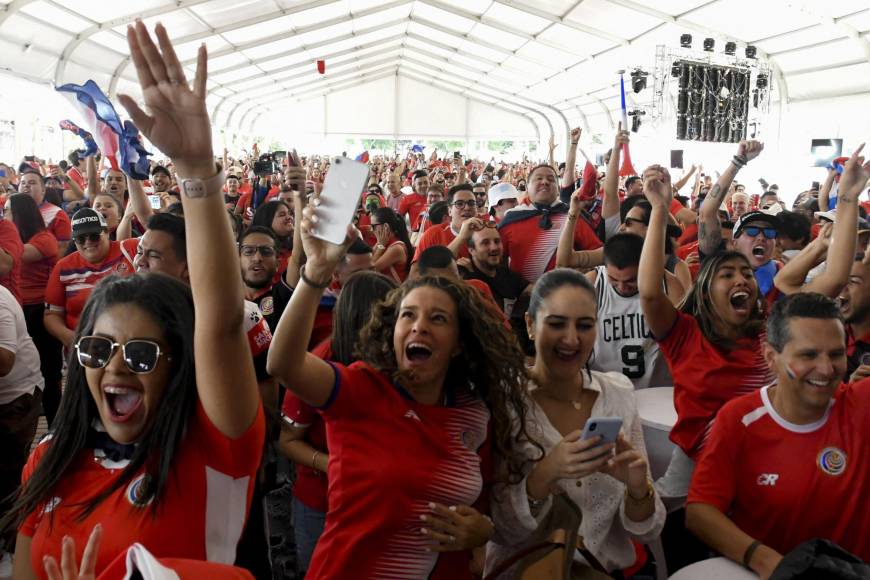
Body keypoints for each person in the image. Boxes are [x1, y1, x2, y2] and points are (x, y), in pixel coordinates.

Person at [2, 21, 264, 578]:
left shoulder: (214, 448)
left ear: (180, 364)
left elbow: (217, 322)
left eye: (142, 355)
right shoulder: (47, 463)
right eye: (97, 349)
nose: (115, 366)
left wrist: (195, 168)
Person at [267, 198, 535, 578]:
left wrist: (483, 531)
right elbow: (282, 364)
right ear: (391, 333)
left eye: (437, 318)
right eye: (407, 315)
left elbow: (486, 501)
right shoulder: (360, 388)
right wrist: (316, 272)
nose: (418, 326)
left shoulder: (474, 410)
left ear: (459, 343)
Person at [486, 269, 665, 576]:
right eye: (556, 324)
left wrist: (638, 488)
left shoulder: (618, 394)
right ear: (530, 325)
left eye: (585, 325)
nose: (571, 339)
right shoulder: (503, 402)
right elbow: (498, 530)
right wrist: (544, 474)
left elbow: (644, 531)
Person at [686, 293, 870, 573]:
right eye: (808, 355)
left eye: (836, 354)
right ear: (771, 357)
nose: (826, 369)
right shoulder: (740, 420)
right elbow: (700, 512)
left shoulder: (862, 405)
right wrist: (769, 563)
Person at [638, 164, 775, 494]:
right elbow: (650, 291)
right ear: (705, 290)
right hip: (698, 457)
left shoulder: (769, 335)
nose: (741, 279)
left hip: (761, 458)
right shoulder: (684, 335)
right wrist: (659, 208)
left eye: (745, 274)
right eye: (727, 275)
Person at [279, 271, 398, 574]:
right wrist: (332, 464)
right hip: (323, 500)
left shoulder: (399, 357)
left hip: (382, 501)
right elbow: (288, 441)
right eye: (383, 317)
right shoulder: (318, 364)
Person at [587, 233, 682, 389]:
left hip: (656, 391)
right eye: (614, 280)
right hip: (606, 391)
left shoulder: (668, 284)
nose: (622, 287)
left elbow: (684, 344)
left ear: (645, 265)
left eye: (631, 280)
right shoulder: (593, 283)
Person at [4, 194, 60, 424]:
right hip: (19, 308)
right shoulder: (14, 238)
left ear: (21, 214)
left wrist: (7, 237)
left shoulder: (45, 239)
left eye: (8, 210)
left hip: (39, 310)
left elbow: (16, 257)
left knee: (49, 370)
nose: (4, 215)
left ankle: (57, 425)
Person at [44, 208, 134, 348]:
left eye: (94, 236)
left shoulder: (129, 250)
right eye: (80, 238)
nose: (88, 242)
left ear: (107, 232)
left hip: (129, 343)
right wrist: (72, 339)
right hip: (83, 348)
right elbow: (51, 315)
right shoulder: (63, 268)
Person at [498, 164, 602, 283]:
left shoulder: (572, 216)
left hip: (563, 295)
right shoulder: (511, 219)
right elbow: (496, 262)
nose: (545, 182)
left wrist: (582, 267)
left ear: (558, 188)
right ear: (527, 187)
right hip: (522, 297)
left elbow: (598, 251)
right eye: (539, 178)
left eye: (551, 179)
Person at [0, 283, 44, 563]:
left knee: (7, 475)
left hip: (15, 398)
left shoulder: (0, 302)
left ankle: (12, 547)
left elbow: (4, 360)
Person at [460, 224, 529, 316]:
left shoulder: (508, 275)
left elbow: (533, 290)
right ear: (472, 250)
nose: (494, 247)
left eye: (497, 241)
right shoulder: (463, 278)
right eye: (485, 243)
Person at [413, 184, 480, 265]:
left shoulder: (488, 231)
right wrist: (461, 238)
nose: (467, 208)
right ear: (449, 211)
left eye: (471, 203)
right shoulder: (433, 234)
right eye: (459, 204)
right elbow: (415, 273)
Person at [17, 169, 71, 255]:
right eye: (22, 183)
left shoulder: (57, 214)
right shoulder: (10, 210)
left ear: (43, 190)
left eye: (32, 183)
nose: (26, 185)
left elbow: (63, 249)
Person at [371, 207, 412, 283]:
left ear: (386, 226)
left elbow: (370, 270)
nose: (372, 230)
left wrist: (381, 246)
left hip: (393, 292)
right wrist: (380, 244)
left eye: (373, 226)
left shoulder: (396, 248)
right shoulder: (383, 242)